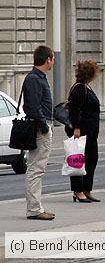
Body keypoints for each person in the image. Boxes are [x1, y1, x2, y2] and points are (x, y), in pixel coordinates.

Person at [22, 45, 55, 220]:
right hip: (39, 127)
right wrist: (44, 126)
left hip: (41, 125)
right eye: (52, 59)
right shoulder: (35, 78)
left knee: (37, 168)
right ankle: (34, 209)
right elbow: (34, 106)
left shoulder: (38, 77)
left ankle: (36, 207)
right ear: (48, 59)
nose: (53, 62)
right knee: (36, 168)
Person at [68, 60, 101, 203]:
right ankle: (78, 191)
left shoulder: (86, 87)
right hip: (81, 132)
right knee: (78, 161)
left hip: (91, 132)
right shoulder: (79, 88)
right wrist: (76, 127)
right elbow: (75, 110)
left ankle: (87, 189)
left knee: (91, 160)